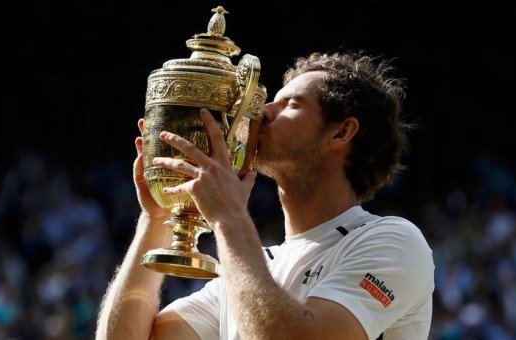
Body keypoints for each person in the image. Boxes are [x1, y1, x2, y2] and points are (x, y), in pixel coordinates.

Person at [95, 51, 435, 339]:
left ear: (341, 132)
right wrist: (157, 219)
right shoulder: (252, 266)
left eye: (291, 104)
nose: (264, 112)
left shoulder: (392, 240)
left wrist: (228, 217)